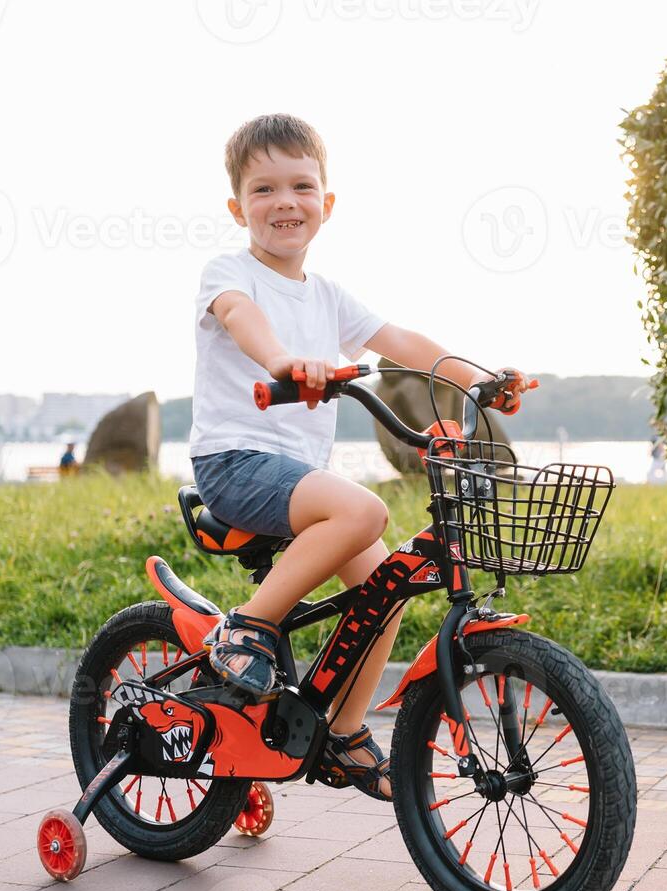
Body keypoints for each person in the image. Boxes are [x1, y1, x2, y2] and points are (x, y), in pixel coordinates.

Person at [189, 114, 529, 801]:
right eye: (264, 190)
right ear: (237, 208)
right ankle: (247, 628)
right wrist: (288, 363)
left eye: (301, 186)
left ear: (326, 203)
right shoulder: (228, 272)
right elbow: (241, 321)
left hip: (295, 478)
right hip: (234, 463)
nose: (285, 201)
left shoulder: (327, 294)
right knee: (366, 511)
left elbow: (396, 338)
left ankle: (343, 730)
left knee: (387, 585)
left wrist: (474, 375)